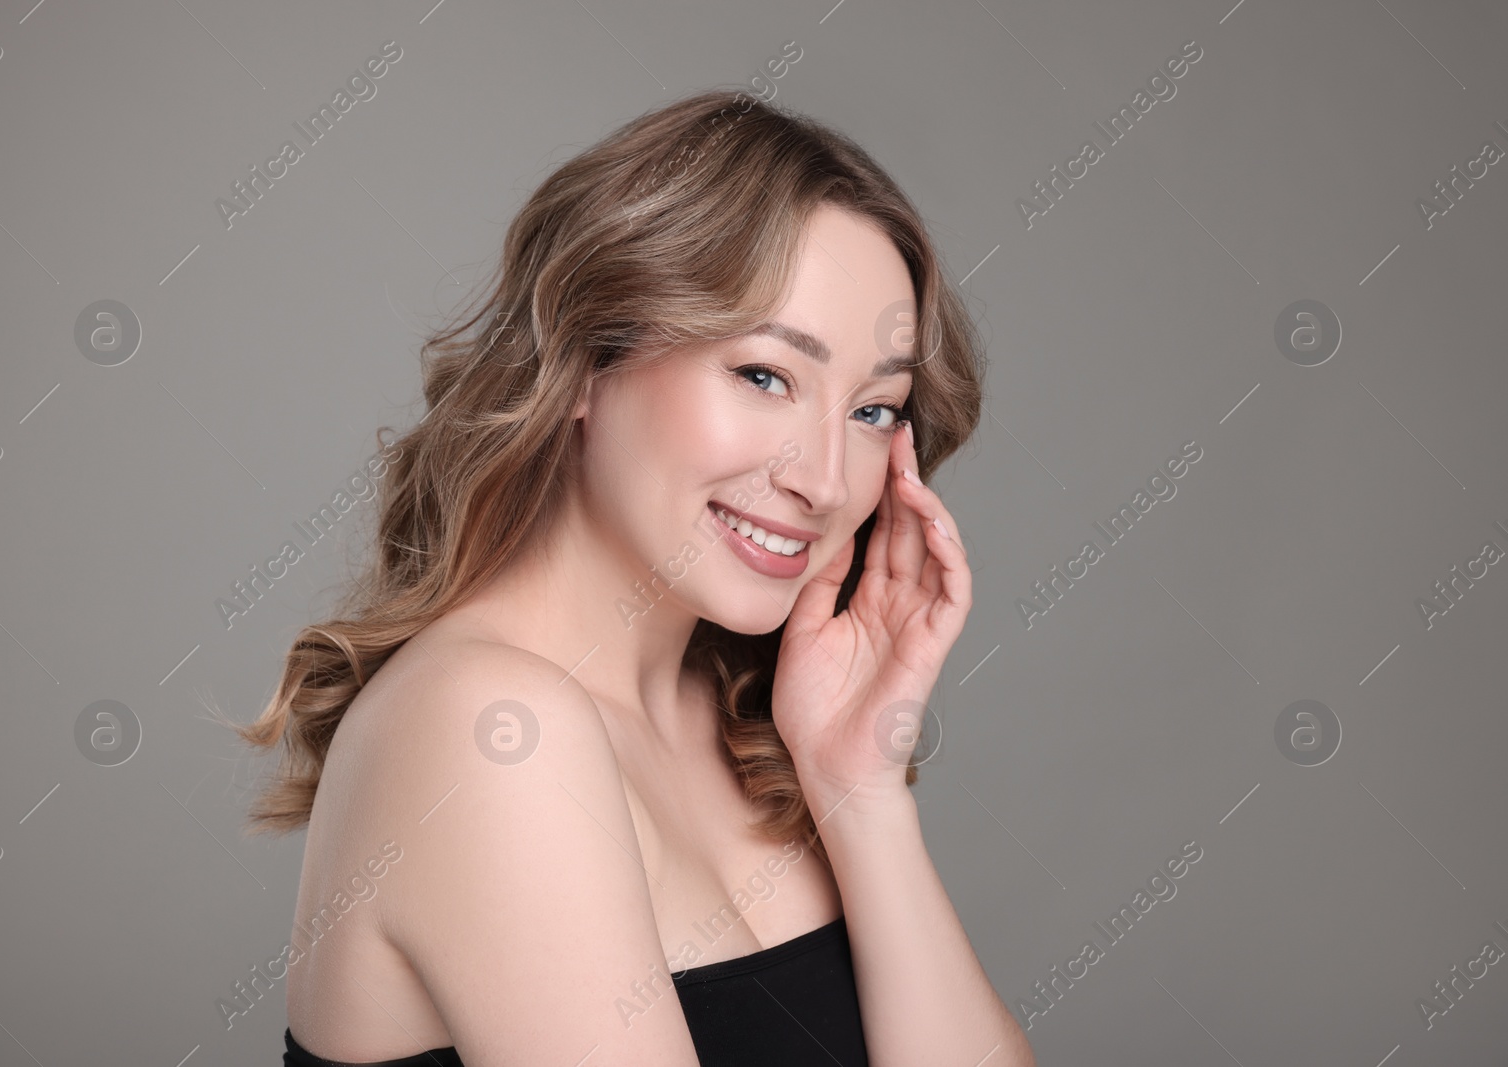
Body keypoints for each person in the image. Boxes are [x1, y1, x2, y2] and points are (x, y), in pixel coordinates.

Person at [232, 86, 1035, 1067]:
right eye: (765, 375)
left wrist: (857, 790)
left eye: (873, 409)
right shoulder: (488, 726)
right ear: (581, 363)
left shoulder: (738, 713)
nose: (825, 480)